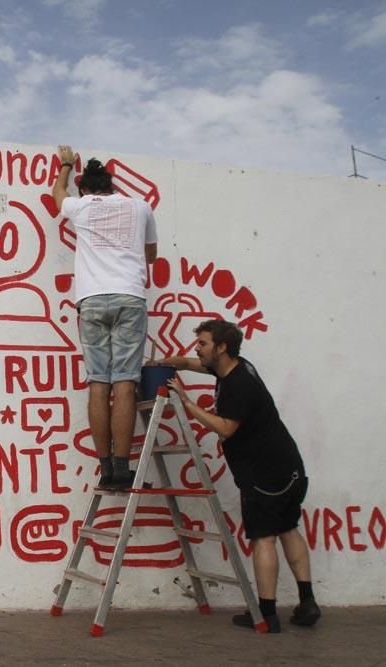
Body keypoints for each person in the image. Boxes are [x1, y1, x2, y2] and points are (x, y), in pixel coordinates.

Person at [149, 319, 320, 633]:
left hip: (264, 475)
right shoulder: (234, 367)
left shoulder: (238, 386)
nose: (196, 349)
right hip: (288, 466)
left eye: (202, 344)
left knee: (264, 538)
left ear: (221, 347)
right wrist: (168, 363)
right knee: (288, 529)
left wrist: (186, 403)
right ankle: (307, 602)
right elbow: (190, 363)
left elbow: (226, 427)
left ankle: (266, 614)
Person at [52, 145, 157, 490]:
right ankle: (123, 468)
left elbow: (57, 194)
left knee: (99, 383)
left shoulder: (80, 207)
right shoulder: (140, 206)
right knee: (125, 383)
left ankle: (106, 469)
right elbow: (151, 254)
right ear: (112, 187)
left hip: (92, 299)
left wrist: (66, 164)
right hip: (129, 296)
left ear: (85, 190)